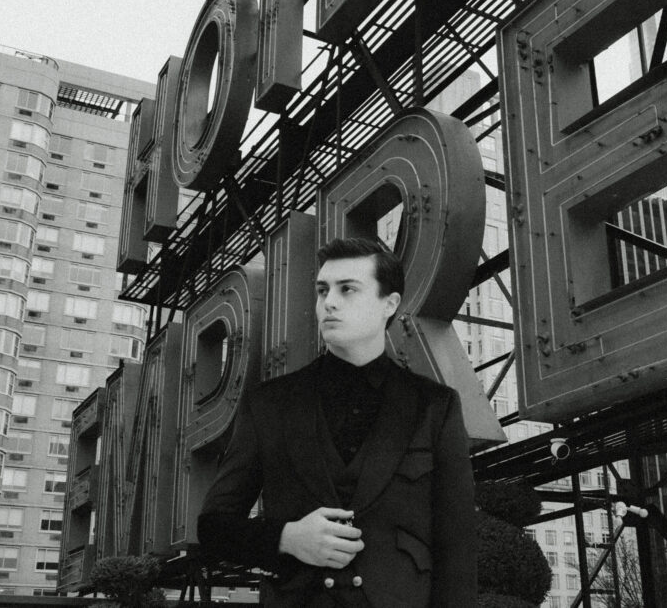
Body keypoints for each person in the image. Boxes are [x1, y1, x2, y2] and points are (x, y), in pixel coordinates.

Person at [197, 237, 477, 607]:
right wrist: (286, 538)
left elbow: (457, 551)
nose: (328, 302)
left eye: (348, 289)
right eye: (322, 290)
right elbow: (213, 525)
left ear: (388, 304)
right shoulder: (271, 403)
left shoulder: (435, 406)